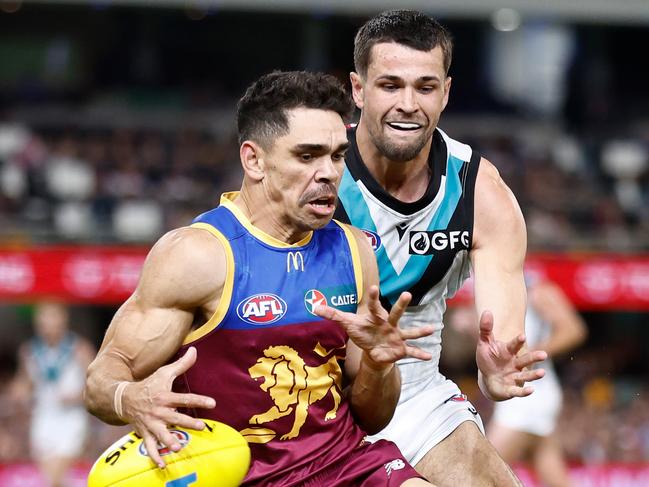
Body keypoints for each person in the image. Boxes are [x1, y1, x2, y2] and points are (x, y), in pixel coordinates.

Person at [84, 70, 438, 486]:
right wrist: (131, 398)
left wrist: (379, 367)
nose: (328, 172)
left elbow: (374, 419)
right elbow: (99, 381)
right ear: (254, 160)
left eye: (337, 155)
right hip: (237, 475)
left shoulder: (355, 250)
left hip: (343, 466)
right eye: (307, 156)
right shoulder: (199, 256)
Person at [334, 9, 547, 486]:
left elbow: (502, 335)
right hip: (307, 394)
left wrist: (495, 372)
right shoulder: (317, 171)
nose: (408, 103)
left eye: (425, 87)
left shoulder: (479, 192)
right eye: (390, 85)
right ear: (358, 88)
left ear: (445, 92)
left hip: (411, 391)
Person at [487, 277, 588, 487]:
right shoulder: (500, 290)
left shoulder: (537, 290)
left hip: (529, 396)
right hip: (528, 394)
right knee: (553, 475)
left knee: (484, 472)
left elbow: (574, 329)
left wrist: (532, 355)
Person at [12, 301, 96, 487]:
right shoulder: (29, 351)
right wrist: (19, 392)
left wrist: (77, 395)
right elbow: (25, 383)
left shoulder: (79, 348)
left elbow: (97, 384)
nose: (48, 323)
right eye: (43, 318)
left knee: (57, 475)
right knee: (51, 479)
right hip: (43, 416)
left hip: (71, 417)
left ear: (63, 320)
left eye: (52, 317)